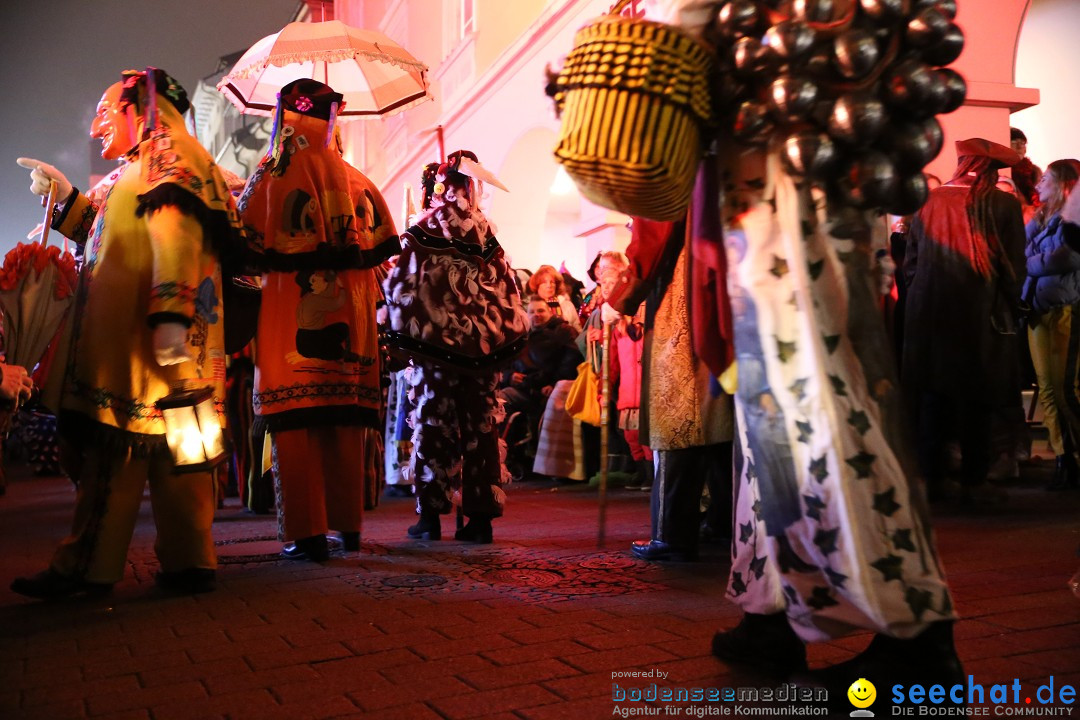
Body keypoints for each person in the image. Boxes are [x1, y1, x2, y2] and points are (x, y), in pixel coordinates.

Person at [10, 68, 242, 599]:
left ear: (144, 108)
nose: (96, 128)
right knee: (181, 454)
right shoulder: (159, 161)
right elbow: (115, 229)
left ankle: (88, 566)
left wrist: (170, 316)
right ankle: (190, 561)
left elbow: (174, 238)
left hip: (142, 351)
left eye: (106, 111)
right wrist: (66, 200)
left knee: (115, 459)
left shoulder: (167, 160)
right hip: (170, 351)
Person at [237, 79, 398, 562]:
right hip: (352, 327)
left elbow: (243, 237)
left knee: (296, 430)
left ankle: (305, 534)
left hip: (290, 320)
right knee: (344, 429)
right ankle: (347, 528)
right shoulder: (358, 180)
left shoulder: (272, 174)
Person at [383, 150, 528, 544]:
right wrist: (496, 339)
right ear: (471, 186)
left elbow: (401, 285)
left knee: (434, 427)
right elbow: (507, 291)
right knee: (480, 431)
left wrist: (402, 337)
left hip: (434, 354)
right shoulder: (486, 234)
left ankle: (430, 518)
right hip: (480, 357)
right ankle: (479, 521)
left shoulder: (424, 229)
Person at [903, 138, 1027, 505]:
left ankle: (933, 479)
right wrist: (1012, 306)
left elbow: (911, 261)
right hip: (978, 317)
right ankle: (974, 482)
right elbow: (1013, 266)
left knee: (932, 399)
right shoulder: (1001, 203)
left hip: (927, 317)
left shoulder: (930, 199)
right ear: (987, 168)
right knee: (977, 401)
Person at [1022, 159, 1080, 490]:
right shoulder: (1040, 217)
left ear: (1061, 185)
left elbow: (1068, 258)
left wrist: (1029, 265)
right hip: (1036, 308)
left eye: (1045, 179)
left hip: (1063, 308)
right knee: (1045, 387)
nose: (1038, 184)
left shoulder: (1072, 219)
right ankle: (1062, 456)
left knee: (1064, 389)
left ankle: (1073, 454)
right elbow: (1020, 250)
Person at [526, 265, 581, 333]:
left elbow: (578, 330)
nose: (549, 285)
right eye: (544, 282)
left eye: (552, 282)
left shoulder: (567, 305)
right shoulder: (532, 306)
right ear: (537, 286)